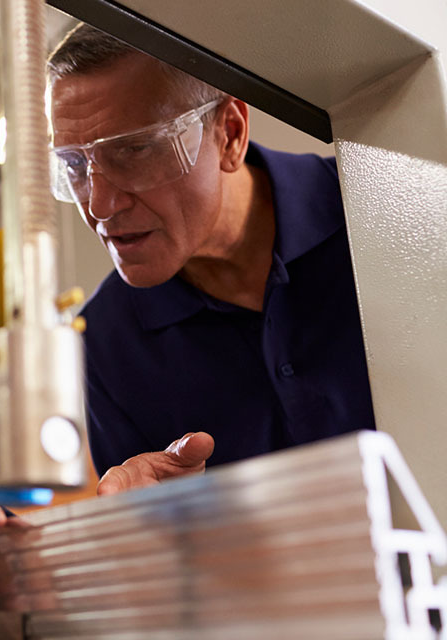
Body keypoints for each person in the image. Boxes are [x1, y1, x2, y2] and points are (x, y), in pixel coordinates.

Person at [46, 23, 376, 493]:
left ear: (230, 133)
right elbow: (165, 549)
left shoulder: (380, 223)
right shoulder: (108, 340)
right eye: (74, 166)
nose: (98, 206)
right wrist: (151, 526)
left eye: (135, 149)